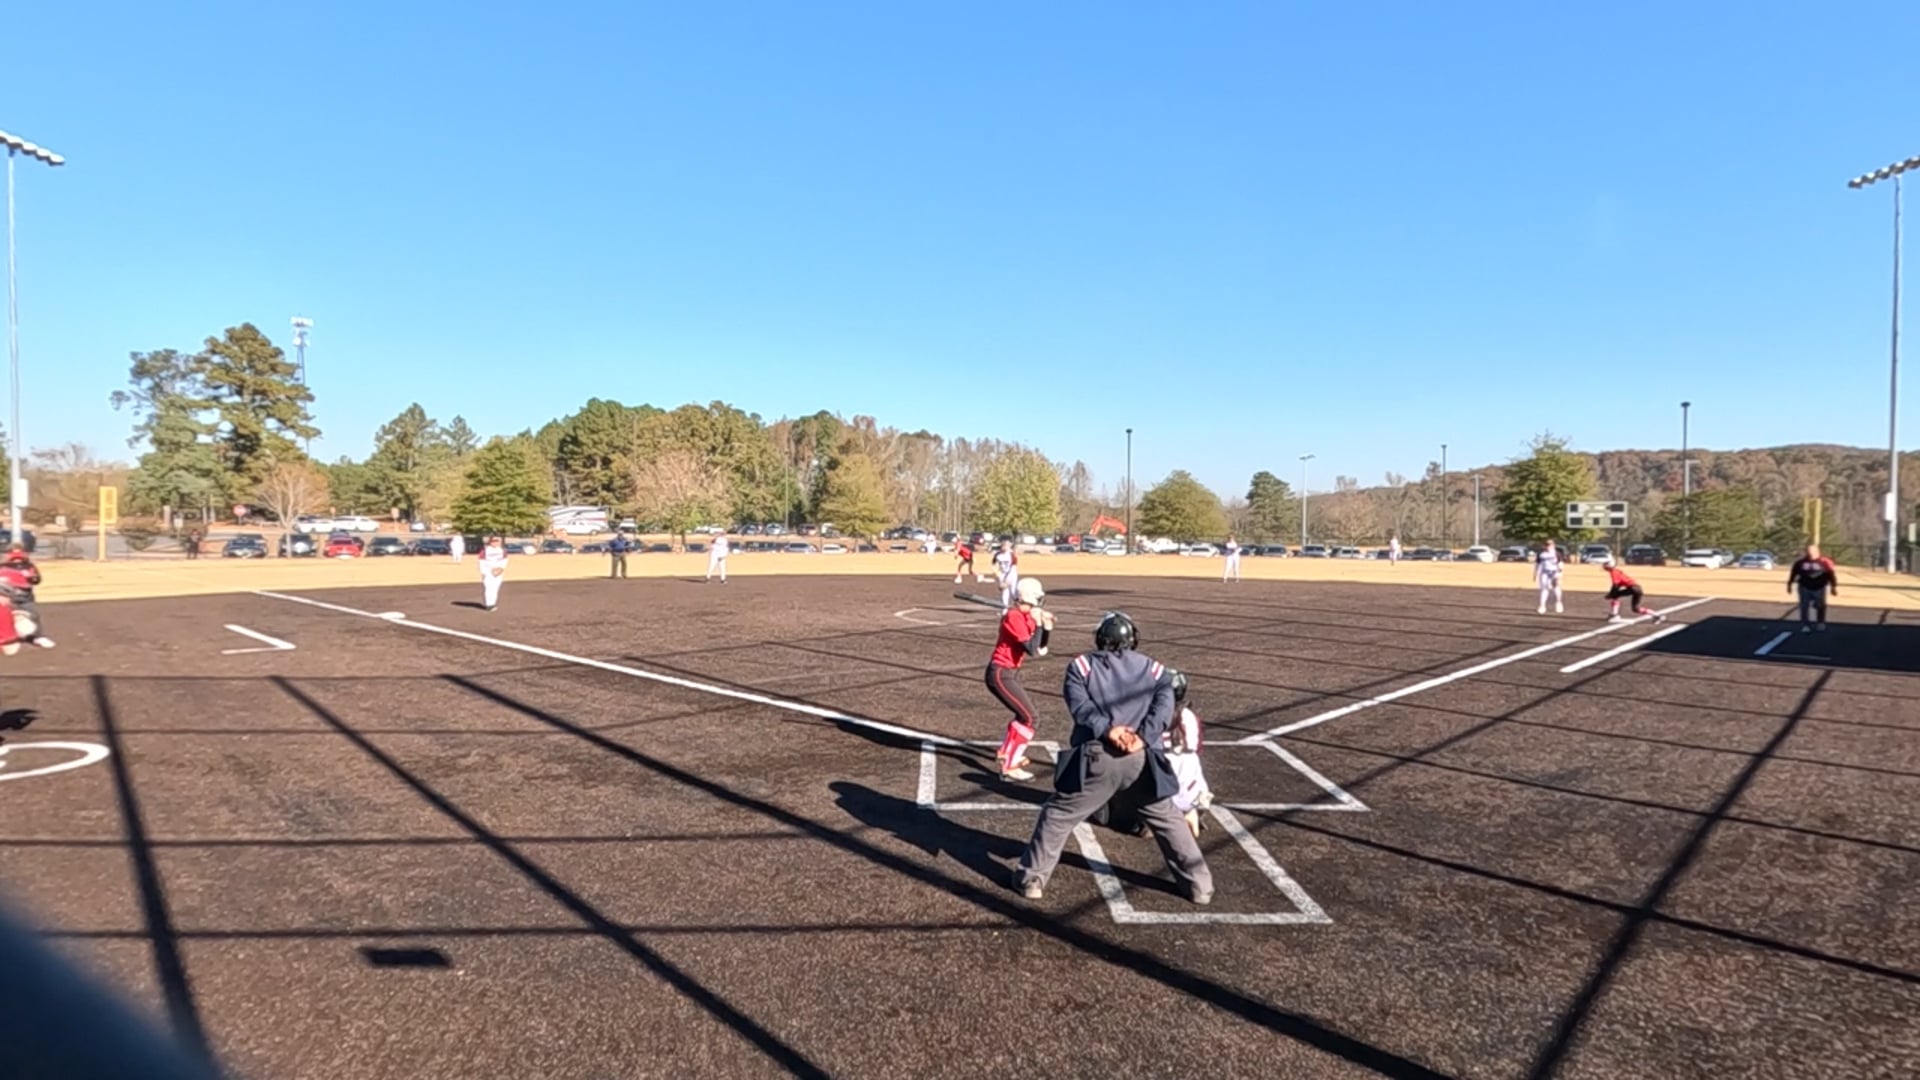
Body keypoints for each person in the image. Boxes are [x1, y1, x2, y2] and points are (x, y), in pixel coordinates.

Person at [1014, 613, 1212, 904]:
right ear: (1132, 639)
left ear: (1100, 639)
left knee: (1057, 815)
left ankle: (1032, 880)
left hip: (1098, 757)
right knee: (1168, 819)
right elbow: (1164, 706)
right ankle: (1199, 886)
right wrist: (1142, 736)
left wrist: (1108, 729)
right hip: (1142, 759)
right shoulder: (1155, 669)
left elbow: (1080, 707)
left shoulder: (1081, 667)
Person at [988, 576, 1053, 782]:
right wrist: (1038, 623)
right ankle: (1010, 766)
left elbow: (1041, 647)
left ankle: (1006, 753)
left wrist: (1046, 627)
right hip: (1001, 673)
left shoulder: (1023, 617)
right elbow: (1031, 648)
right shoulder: (1014, 617)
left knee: (1023, 715)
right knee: (1030, 718)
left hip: (1009, 673)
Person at [0, 546, 50, 649]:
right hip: (9, 597)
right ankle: (7, 637)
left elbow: (36, 580)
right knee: (6, 617)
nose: (17, 559)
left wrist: (31, 577)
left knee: (34, 616)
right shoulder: (3, 567)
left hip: (26, 597)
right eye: (14, 556)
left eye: (19, 556)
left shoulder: (29, 566)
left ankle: (38, 637)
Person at [1787, 544, 1839, 633]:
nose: (1810, 553)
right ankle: (1805, 624)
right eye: (1808, 551)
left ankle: (1820, 622)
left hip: (1819, 587)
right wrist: (1789, 585)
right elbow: (1793, 573)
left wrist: (1833, 587)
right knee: (1804, 606)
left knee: (1820, 605)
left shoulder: (1825, 562)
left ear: (1817, 552)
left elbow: (1831, 575)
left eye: (1812, 551)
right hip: (1804, 587)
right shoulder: (1800, 563)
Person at [1600, 557, 1666, 624]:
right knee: (1635, 608)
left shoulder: (1614, 572)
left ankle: (1614, 615)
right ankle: (1657, 615)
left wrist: (1611, 594)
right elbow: (1618, 585)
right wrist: (1611, 594)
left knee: (1615, 595)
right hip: (1637, 589)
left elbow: (1615, 585)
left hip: (1633, 588)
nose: (1604, 566)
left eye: (1605, 564)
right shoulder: (1616, 571)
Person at [1535, 539, 1565, 615]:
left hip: (1554, 572)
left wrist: (1559, 574)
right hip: (1545, 573)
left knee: (1556, 587)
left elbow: (1560, 564)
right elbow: (1537, 565)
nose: (1548, 547)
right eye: (1547, 545)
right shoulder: (1541, 554)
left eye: (1550, 545)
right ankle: (1542, 605)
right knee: (1544, 589)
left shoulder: (1557, 554)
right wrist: (1536, 575)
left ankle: (1558, 602)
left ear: (1553, 545)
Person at [478, 536, 508, 611]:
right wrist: (483, 573)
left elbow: (505, 560)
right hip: (488, 571)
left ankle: (493, 603)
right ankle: (489, 605)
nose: (495, 543)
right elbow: (481, 562)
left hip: (498, 571)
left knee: (495, 588)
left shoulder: (502, 550)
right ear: (490, 542)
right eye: (493, 541)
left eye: (497, 541)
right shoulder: (485, 550)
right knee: (489, 588)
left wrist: (501, 569)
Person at [994, 540, 1019, 610]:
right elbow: (995, 565)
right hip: (1003, 574)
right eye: (1003, 545)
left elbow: (1013, 566)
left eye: (1006, 546)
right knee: (1004, 592)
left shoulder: (1011, 554)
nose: (1004, 547)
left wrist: (1008, 579)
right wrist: (998, 575)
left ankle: (1019, 606)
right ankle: (1005, 609)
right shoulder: (998, 555)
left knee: (1013, 592)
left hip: (1012, 574)